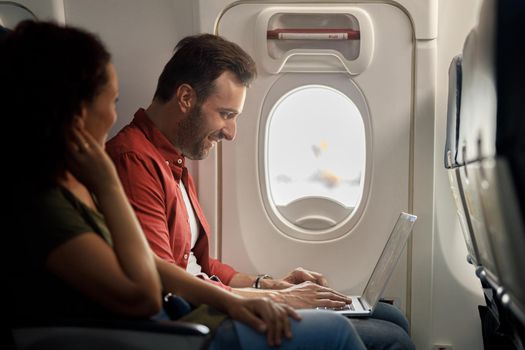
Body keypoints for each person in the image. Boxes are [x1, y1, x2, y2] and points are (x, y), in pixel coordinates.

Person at [1, 20, 366, 350]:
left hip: (184, 312)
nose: (115, 114)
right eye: (110, 100)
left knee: (384, 320)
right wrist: (109, 186)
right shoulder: (69, 191)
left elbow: (181, 264)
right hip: (172, 327)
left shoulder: (157, 165)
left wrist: (265, 287)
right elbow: (149, 288)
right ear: (76, 111)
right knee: (343, 333)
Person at [106, 33, 415, 349]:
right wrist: (275, 297)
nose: (230, 132)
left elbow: (201, 267)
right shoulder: (134, 160)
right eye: (226, 114)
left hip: (208, 303)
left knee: (392, 317)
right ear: (186, 98)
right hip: (190, 319)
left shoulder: (173, 159)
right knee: (390, 339)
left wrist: (268, 283)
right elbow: (166, 278)